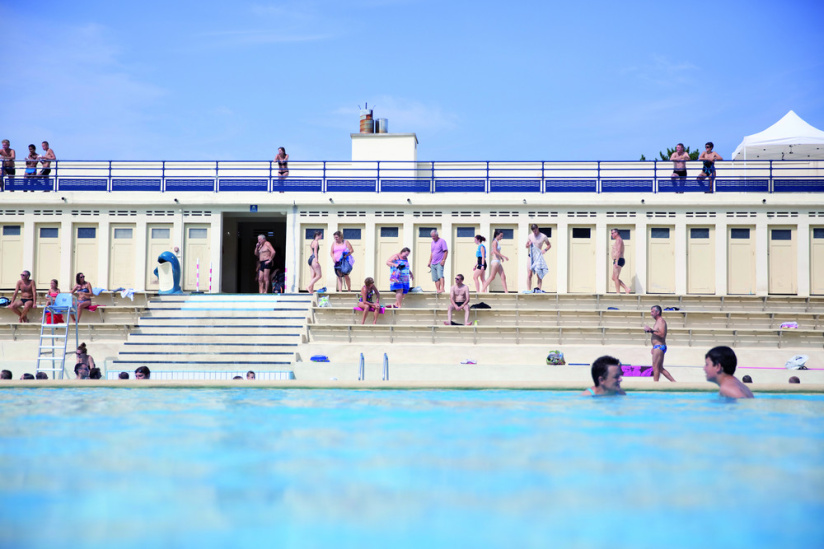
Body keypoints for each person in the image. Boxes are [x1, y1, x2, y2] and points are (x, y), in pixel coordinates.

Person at [644, 305, 676, 382]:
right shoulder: (658, 322)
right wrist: (653, 346)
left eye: (652, 311)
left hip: (659, 347)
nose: (651, 313)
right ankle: (674, 383)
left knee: (655, 368)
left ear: (657, 312)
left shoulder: (661, 321)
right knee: (660, 368)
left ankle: (655, 386)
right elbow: (657, 334)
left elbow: (662, 334)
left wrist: (650, 330)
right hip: (657, 346)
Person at [525, 224, 551, 293]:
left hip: (538, 257)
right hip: (531, 256)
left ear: (537, 228)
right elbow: (526, 246)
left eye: (535, 230)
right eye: (533, 230)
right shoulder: (530, 236)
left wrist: (544, 250)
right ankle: (529, 290)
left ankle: (539, 289)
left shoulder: (543, 236)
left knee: (539, 274)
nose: (535, 232)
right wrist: (528, 244)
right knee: (529, 274)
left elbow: (549, 245)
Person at [610, 229, 631, 294]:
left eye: (613, 233)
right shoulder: (617, 240)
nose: (612, 235)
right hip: (617, 260)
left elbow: (618, 251)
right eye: (611, 233)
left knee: (616, 277)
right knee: (613, 278)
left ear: (617, 233)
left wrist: (616, 261)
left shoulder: (619, 240)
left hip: (618, 260)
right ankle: (626, 288)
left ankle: (618, 292)